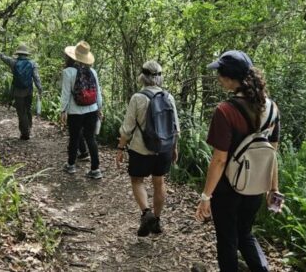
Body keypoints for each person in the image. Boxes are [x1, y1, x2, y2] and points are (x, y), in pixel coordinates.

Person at [195, 50, 281, 272]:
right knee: (245, 234)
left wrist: (206, 196)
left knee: (227, 240)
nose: (218, 78)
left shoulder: (225, 111)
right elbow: (272, 154)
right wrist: (273, 189)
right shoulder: (271, 109)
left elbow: (219, 160)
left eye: (219, 73)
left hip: (227, 189)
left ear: (229, 77)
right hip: (255, 188)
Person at [116, 61, 180, 236]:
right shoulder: (169, 97)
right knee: (159, 182)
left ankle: (146, 213)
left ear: (142, 77)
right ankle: (156, 220)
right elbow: (175, 128)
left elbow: (127, 129)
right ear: (160, 77)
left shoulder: (137, 98)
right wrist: (174, 148)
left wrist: (120, 148)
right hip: (164, 148)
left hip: (140, 149)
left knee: (137, 181)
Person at [60, 40, 103, 179]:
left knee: (74, 137)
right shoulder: (92, 71)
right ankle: (96, 169)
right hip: (92, 109)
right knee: (91, 138)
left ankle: (71, 165)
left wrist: (63, 110)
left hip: (75, 111)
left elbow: (66, 93)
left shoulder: (68, 72)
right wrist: (99, 108)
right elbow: (98, 92)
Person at [0, 44, 43, 140]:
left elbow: (4, 58)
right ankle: (28, 129)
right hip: (29, 91)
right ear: (26, 54)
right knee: (28, 110)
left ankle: (24, 133)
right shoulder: (32, 63)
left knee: (21, 112)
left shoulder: (13, 62)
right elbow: (36, 78)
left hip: (17, 92)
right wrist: (40, 89)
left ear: (18, 53)